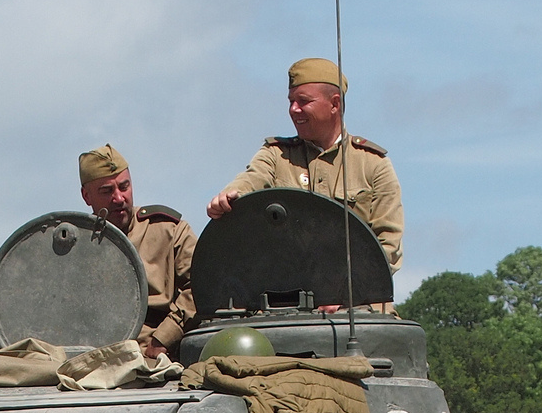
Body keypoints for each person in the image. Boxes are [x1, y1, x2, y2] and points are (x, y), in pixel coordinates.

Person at [206, 57, 404, 273]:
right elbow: (251, 180)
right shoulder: (277, 155)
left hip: (357, 301)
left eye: (303, 101)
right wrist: (228, 198)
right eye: (291, 101)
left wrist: (343, 291)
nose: (293, 109)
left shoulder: (373, 165)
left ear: (334, 104)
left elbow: (387, 247)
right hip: (283, 296)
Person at [78, 145, 197, 360]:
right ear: (86, 196)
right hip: (97, 355)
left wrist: (164, 338)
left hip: (160, 351)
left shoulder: (168, 231)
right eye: (106, 191)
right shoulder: (77, 246)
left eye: (124, 187)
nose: (119, 198)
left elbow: (202, 286)